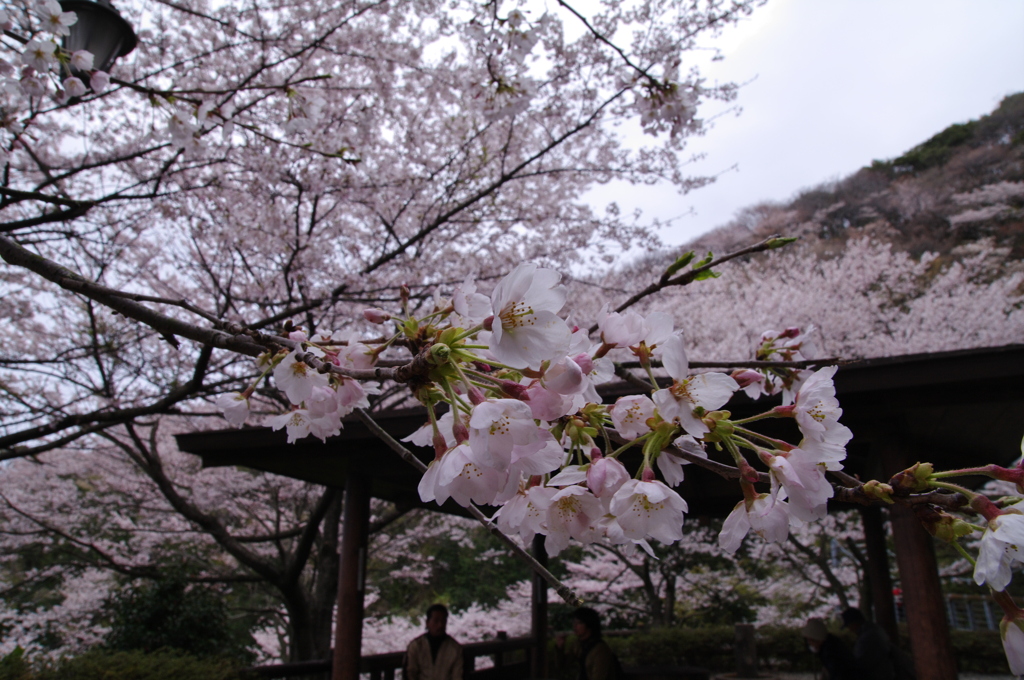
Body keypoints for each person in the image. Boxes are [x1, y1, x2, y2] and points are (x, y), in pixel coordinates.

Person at [555, 607, 622, 680]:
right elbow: (563, 666)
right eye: (574, 622)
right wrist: (560, 648)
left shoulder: (600, 650)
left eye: (579, 623)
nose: (575, 626)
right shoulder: (578, 644)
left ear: (589, 624)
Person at [404, 604, 463, 680]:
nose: (440, 625)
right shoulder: (416, 646)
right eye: (436, 621)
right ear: (427, 622)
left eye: (443, 621)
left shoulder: (455, 649)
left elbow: (458, 676)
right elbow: (410, 673)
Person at [841, 607, 899, 680]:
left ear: (854, 623)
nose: (850, 629)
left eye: (849, 626)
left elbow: (859, 664)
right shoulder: (875, 630)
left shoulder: (866, 638)